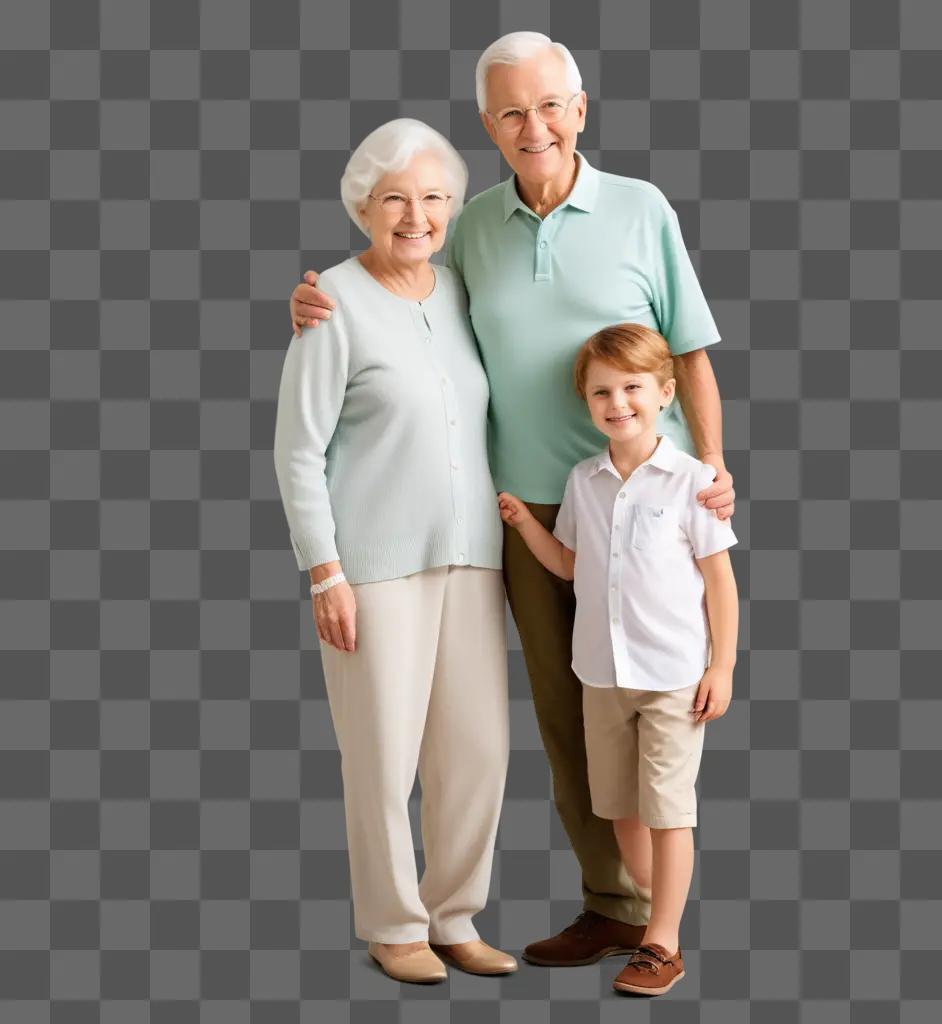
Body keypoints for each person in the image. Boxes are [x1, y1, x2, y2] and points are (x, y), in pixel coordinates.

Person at [286, 31, 737, 965]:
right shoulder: (471, 228)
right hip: (523, 519)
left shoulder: (641, 208)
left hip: (647, 510)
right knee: (563, 718)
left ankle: (662, 920)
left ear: (579, 110)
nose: (532, 127)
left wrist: (716, 466)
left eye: (548, 106)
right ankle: (606, 904)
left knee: (661, 702)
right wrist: (316, 298)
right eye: (510, 113)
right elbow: (389, 292)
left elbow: (690, 351)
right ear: (489, 126)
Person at [273, 118, 516, 984]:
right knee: (382, 752)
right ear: (362, 206)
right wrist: (323, 570)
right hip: (372, 567)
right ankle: (393, 923)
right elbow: (297, 449)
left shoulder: (460, 292)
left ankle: (455, 915)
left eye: (434, 199)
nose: (417, 215)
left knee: (478, 748)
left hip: (472, 557)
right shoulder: (331, 301)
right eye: (395, 199)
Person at [497, 323, 740, 995]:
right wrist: (524, 526)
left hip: (671, 680)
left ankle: (664, 942)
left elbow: (719, 582)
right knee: (621, 809)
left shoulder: (691, 482)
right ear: (586, 403)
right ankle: (654, 915)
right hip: (601, 677)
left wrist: (721, 669)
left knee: (668, 808)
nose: (617, 403)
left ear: (665, 393)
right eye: (601, 392)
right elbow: (574, 567)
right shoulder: (584, 481)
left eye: (633, 387)